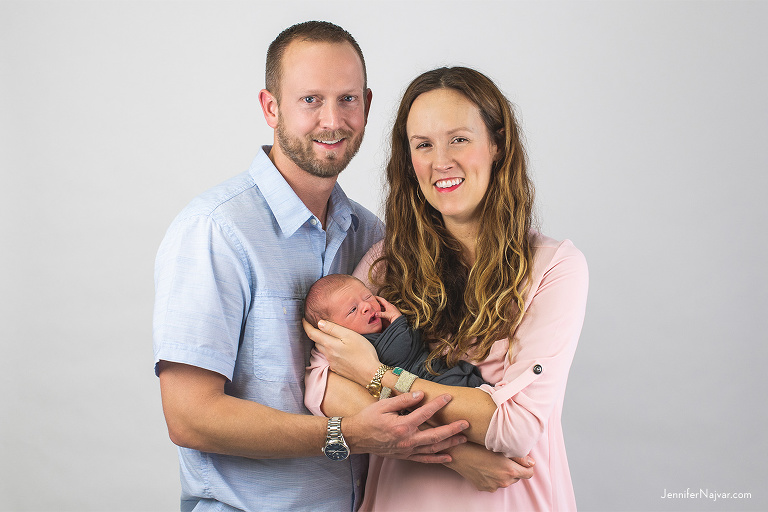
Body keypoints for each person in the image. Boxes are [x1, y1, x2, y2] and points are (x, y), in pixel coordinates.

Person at [152, 22, 478, 512]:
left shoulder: (376, 240)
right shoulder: (215, 231)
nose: (332, 120)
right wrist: (343, 434)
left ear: (367, 105)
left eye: (347, 99)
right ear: (270, 108)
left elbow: (412, 365)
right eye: (310, 100)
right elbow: (189, 417)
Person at [305, 66, 589, 511]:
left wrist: (372, 375)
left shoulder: (554, 268)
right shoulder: (385, 263)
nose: (441, 162)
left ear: (497, 143)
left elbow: (513, 427)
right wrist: (459, 454)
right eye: (423, 145)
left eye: (459, 139)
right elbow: (320, 384)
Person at [304, 273, 487, 387]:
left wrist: (395, 318)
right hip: (432, 384)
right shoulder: (354, 347)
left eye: (367, 296)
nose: (366, 306)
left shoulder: (381, 328)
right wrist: (398, 322)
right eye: (352, 310)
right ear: (333, 330)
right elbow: (401, 346)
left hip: (440, 373)